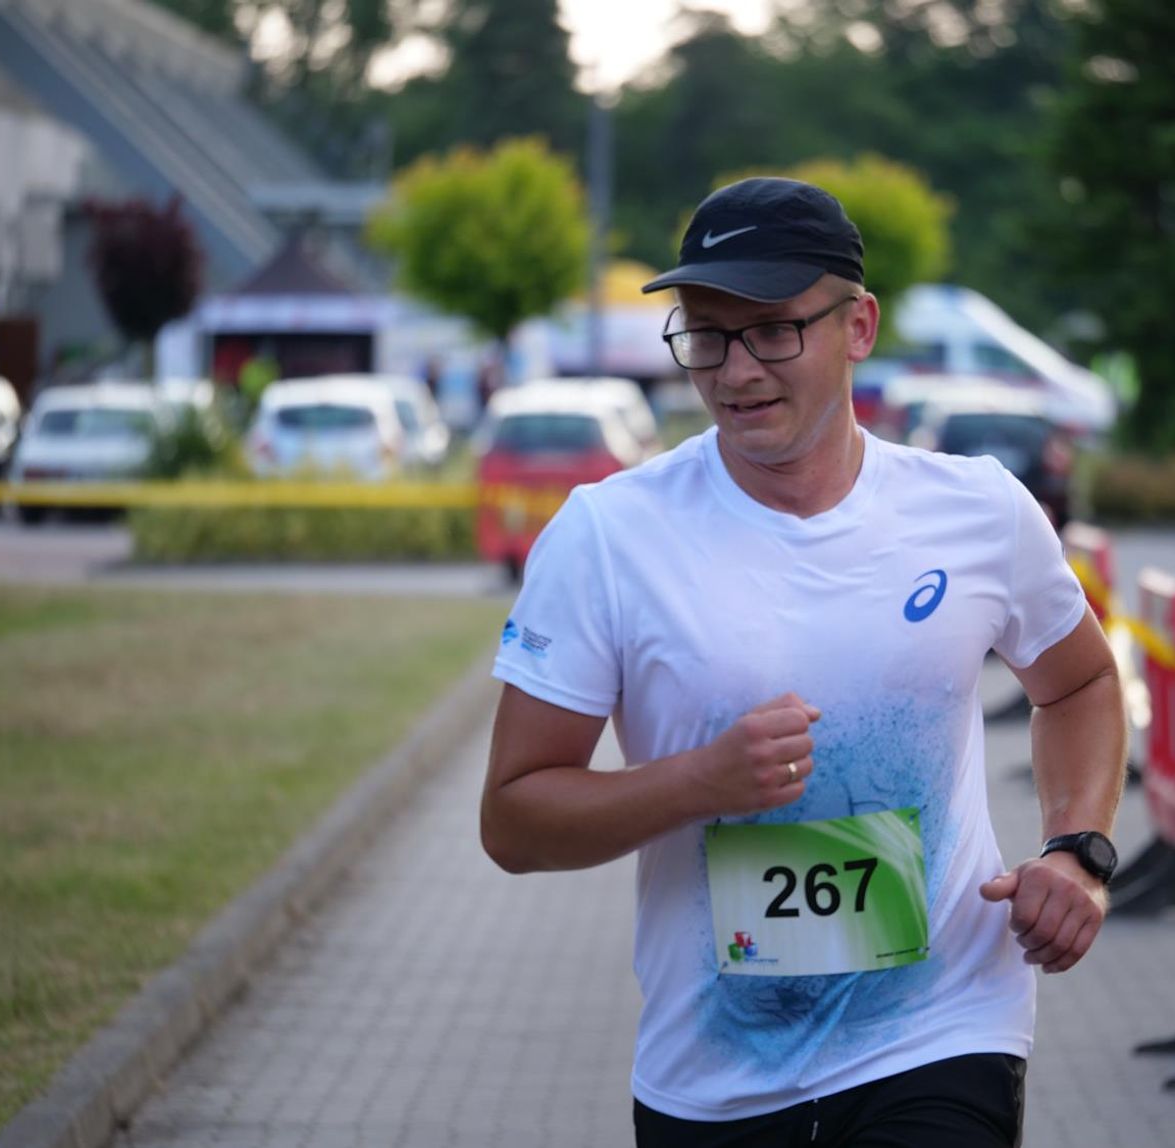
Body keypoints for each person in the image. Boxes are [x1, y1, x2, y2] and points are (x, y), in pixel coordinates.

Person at [481, 177, 1127, 1147]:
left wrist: (1078, 849)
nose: (737, 371)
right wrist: (698, 781)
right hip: (715, 1072)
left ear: (857, 326)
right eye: (708, 336)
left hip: (942, 1029)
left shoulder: (979, 510)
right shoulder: (608, 536)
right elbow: (513, 819)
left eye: (774, 331)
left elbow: (1079, 682)